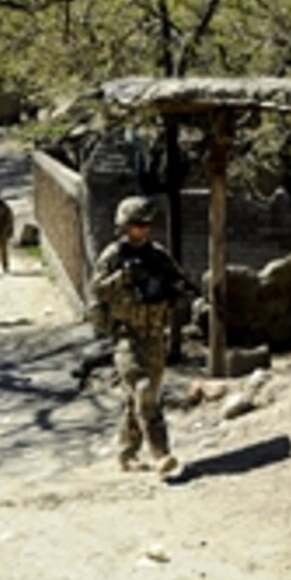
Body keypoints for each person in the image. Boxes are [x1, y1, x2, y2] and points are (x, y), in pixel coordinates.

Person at [91, 196, 195, 476]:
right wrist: (123, 277)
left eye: (147, 224)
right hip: (127, 336)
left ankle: (127, 453)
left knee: (137, 399)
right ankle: (162, 454)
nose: (143, 229)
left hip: (154, 337)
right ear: (124, 225)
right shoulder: (113, 256)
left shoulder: (158, 255)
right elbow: (97, 290)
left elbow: (179, 282)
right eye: (137, 224)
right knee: (144, 390)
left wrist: (180, 293)